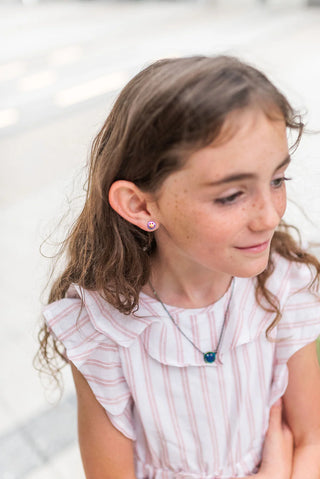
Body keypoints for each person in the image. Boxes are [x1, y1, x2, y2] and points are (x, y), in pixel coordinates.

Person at [38, 56, 320, 478]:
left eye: (277, 180)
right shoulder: (105, 330)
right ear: (139, 204)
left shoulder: (283, 287)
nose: (269, 216)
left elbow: (311, 439)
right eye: (230, 196)